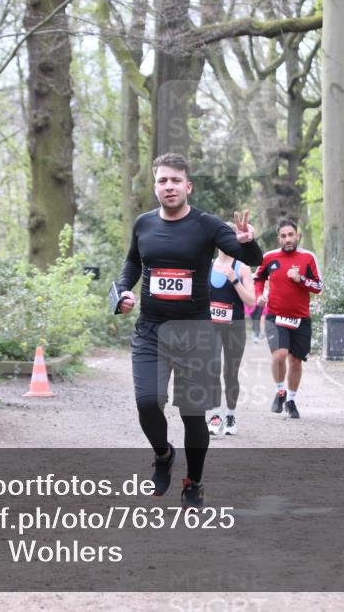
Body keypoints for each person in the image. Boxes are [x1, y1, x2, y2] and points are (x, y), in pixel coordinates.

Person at [115, 153, 263, 508]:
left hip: (196, 334)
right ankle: (164, 454)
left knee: (192, 414)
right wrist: (123, 289)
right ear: (155, 185)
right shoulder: (143, 224)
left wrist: (246, 242)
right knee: (148, 403)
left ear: (188, 186)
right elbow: (133, 262)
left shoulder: (207, 225)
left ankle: (193, 482)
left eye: (175, 180)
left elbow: (253, 259)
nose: (169, 186)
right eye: (163, 180)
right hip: (151, 331)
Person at [253, 219, 323, 419]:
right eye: (283, 236)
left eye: (291, 235)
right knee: (280, 355)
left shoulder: (308, 258)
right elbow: (258, 278)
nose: (287, 239)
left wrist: (300, 279)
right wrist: (259, 296)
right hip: (275, 316)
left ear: (297, 236)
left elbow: (319, 287)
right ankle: (280, 390)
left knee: (296, 362)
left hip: (300, 318)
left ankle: (291, 400)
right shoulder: (269, 258)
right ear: (279, 238)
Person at [207, 228, 257, 437]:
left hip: (234, 326)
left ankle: (230, 415)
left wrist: (234, 280)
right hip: (210, 327)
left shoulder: (242, 268)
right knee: (212, 368)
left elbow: (251, 301)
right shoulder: (207, 266)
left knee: (230, 372)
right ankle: (216, 415)